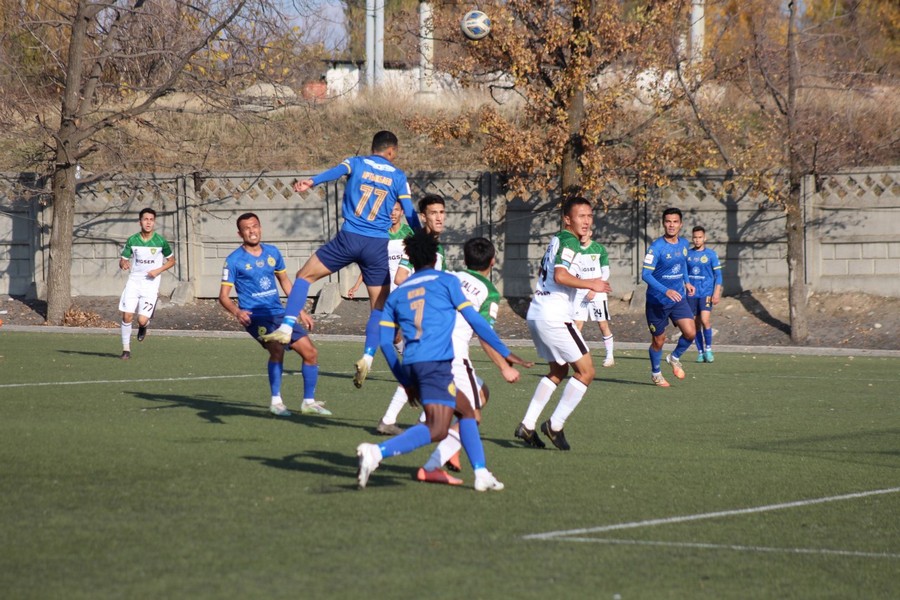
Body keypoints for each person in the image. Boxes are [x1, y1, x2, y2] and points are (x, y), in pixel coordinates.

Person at [355, 230, 531, 492]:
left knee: (466, 410)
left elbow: (385, 343)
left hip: (412, 362)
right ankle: (376, 453)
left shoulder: (397, 295)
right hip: (436, 362)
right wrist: (504, 352)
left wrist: (405, 379)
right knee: (437, 428)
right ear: (435, 257)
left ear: (411, 259)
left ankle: (481, 473)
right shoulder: (447, 281)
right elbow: (474, 319)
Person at [260, 131, 421, 391]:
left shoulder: (356, 162)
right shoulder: (398, 176)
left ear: (373, 147)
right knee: (378, 307)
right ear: (391, 151)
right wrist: (423, 237)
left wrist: (311, 182)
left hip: (349, 238)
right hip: (377, 246)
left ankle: (287, 326)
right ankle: (368, 356)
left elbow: (336, 172)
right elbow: (410, 213)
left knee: (303, 276)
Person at [416, 237, 532, 485]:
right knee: (473, 415)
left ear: (465, 259)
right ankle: (426, 461)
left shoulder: (449, 277)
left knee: (481, 393)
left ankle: (448, 443)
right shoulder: (489, 292)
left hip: (426, 347)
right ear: (492, 262)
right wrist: (504, 367)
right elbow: (484, 333)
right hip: (453, 355)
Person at [515, 197, 611, 451]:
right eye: (581, 216)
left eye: (589, 216)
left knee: (558, 371)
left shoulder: (557, 239)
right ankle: (554, 425)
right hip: (554, 315)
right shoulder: (569, 241)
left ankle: (527, 424)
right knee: (587, 372)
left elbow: (550, 273)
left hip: (538, 312)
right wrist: (592, 284)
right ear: (567, 219)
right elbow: (560, 275)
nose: (587, 221)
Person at [218, 213, 330, 417]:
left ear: (260, 228)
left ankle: (309, 402)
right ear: (240, 233)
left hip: (279, 313)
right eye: (246, 228)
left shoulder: (273, 252)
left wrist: (300, 310)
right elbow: (223, 296)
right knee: (277, 349)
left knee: (311, 353)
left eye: (254, 226)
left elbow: (285, 282)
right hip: (255, 317)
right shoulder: (233, 260)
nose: (252, 231)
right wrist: (237, 311)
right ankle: (276, 402)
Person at [375, 193, 447, 435]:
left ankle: (396, 419)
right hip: (423, 319)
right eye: (433, 213)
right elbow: (400, 277)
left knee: (426, 371)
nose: (439, 217)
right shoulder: (418, 244)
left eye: (442, 212)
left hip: (432, 319)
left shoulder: (437, 246)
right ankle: (423, 421)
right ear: (423, 217)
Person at [642, 207, 697, 387]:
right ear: (663, 224)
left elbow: (683, 265)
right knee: (659, 340)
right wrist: (665, 291)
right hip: (657, 302)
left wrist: (687, 282)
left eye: (675, 222)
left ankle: (674, 357)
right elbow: (645, 275)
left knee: (691, 333)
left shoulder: (684, 244)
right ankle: (656, 373)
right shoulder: (656, 248)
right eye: (668, 221)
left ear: (680, 224)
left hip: (678, 298)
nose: (671, 225)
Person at [117, 207, 175, 360]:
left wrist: (158, 270)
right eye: (145, 219)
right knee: (127, 316)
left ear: (154, 222)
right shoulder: (132, 240)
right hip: (134, 282)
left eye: (151, 220)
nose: (148, 222)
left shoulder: (160, 241)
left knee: (141, 320)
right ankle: (126, 349)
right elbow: (123, 259)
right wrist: (123, 263)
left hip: (150, 284)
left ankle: (144, 325)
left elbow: (172, 261)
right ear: (140, 222)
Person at [346, 201, 413, 300]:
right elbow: (372, 262)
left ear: (402, 212)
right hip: (385, 286)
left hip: (406, 285)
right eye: (390, 210)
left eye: (396, 210)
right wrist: (357, 285)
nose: (393, 213)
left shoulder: (410, 232)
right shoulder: (380, 234)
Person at [572, 230, 615, 368]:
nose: (582, 235)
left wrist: (594, 289)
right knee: (577, 325)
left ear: (590, 232)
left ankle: (609, 356)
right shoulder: (573, 249)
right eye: (580, 233)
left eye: (585, 232)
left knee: (602, 325)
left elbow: (606, 271)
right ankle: (575, 356)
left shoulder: (599, 248)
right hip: (579, 292)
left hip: (597, 293)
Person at [687, 225, 723, 363]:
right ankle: (700, 352)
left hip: (706, 292)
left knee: (705, 320)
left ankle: (708, 349)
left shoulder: (711, 254)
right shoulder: (688, 254)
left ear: (705, 238)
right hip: (691, 294)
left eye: (700, 237)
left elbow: (718, 275)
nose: (697, 240)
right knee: (695, 324)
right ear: (692, 238)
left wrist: (716, 293)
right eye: (695, 237)